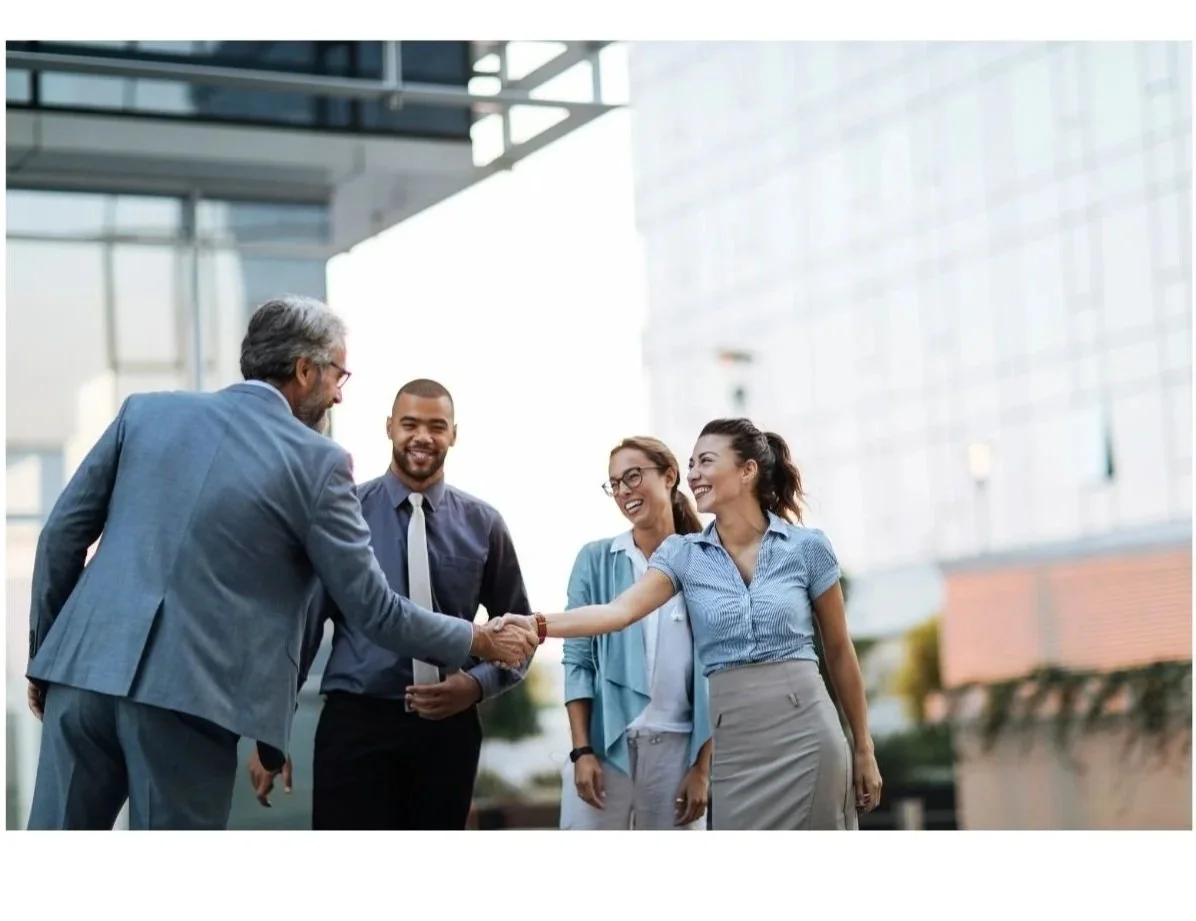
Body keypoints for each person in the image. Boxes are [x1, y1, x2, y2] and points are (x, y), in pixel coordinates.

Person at [23, 295, 533, 831]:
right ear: (304, 370)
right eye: (340, 374)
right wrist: (478, 641)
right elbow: (374, 610)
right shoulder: (318, 463)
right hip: (189, 698)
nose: (339, 392)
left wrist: (46, 653)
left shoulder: (145, 411)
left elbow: (60, 536)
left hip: (80, 678)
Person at [504, 418, 882, 830]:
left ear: (747, 470)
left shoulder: (808, 548)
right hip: (735, 743)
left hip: (808, 731)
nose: (694, 475)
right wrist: (537, 624)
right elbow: (618, 612)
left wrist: (863, 746)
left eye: (705, 461)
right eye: (691, 464)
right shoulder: (682, 555)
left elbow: (841, 651)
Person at [249, 379, 534, 829]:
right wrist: (271, 733)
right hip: (356, 724)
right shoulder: (345, 514)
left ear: (453, 434)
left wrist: (476, 686)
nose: (423, 436)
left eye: (437, 426)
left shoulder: (485, 524)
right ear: (389, 428)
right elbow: (301, 631)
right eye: (410, 424)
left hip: (449, 731)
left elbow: (522, 637)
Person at [560, 436, 712, 830]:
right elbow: (577, 661)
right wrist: (582, 751)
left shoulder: (708, 561)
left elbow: (718, 667)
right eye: (615, 483)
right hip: (604, 750)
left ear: (669, 476)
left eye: (633, 476)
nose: (624, 491)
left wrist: (703, 768)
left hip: (679, 753)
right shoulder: (595, 560)